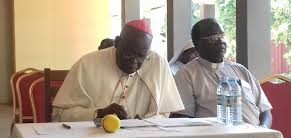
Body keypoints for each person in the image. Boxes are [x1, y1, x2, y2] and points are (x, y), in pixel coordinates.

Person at [52, 19, 184, 122]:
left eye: (141, 56)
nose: (134, 60)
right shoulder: (86, 64)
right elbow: (61, 115)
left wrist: (146, 123)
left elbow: (165, 112)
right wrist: (98, 113)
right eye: (129, 53)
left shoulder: (157, 63)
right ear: (117, 42)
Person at [173, 18, 272, 128]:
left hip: (256, 135)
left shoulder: (241, 70)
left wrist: (264, 129)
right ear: (197, 45)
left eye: (222, 36)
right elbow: (182, 119)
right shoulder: (187, 75)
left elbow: (265, 111)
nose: (221, 41)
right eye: (213, 38)